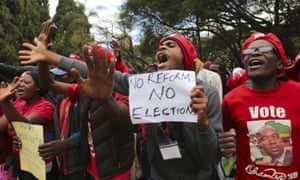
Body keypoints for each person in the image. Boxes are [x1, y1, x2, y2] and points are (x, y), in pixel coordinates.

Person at [19, 31, 223, 179]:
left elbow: (212, 156)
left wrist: (202, 122)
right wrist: (50, 57)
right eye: (160, 46)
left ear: (187, 57)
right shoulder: (146, 86)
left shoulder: (208, 94)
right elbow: (98, 74)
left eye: (171, 45)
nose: (161, 47)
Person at [221, 32, 300, 179]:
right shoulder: (230, 100)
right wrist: (224, 145)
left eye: (264, 50)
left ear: (279, 63)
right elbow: (223, 139)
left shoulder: (298, 94)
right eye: (249, 52)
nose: (255, 53)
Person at [0, 71, 58, 179]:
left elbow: (24, 125)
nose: (20, 85)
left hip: (40, 165)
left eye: (26, 82)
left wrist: (5, 102)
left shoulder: (46, 106)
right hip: (22, 162)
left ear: (38, 87)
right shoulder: (19, 103)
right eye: (19, 82)